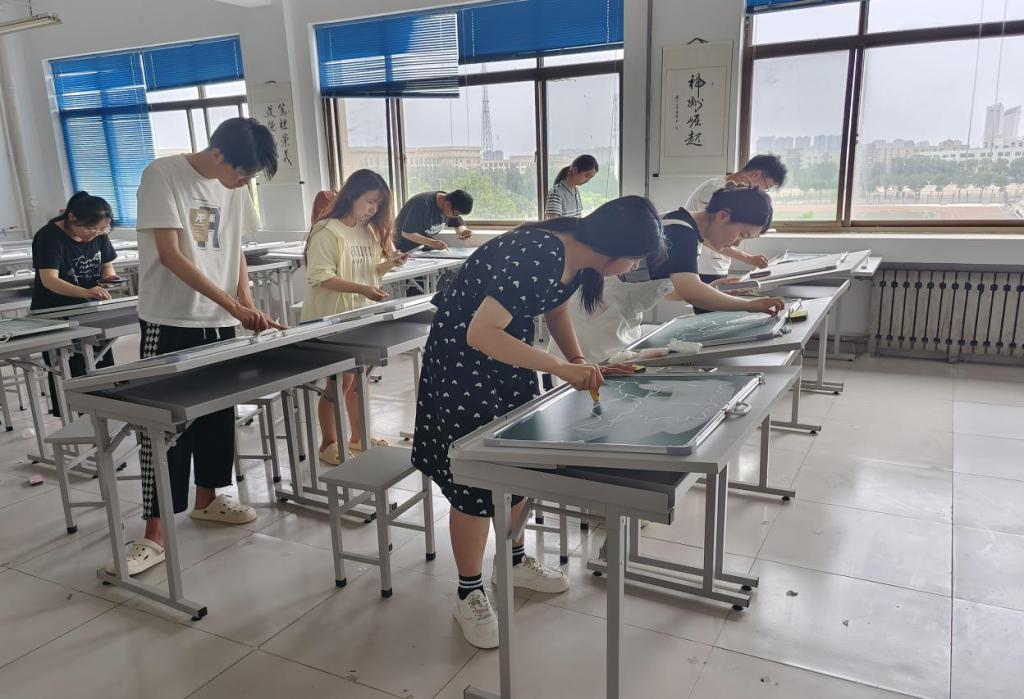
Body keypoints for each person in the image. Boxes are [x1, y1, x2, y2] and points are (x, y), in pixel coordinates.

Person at [411, 196, 666, 649]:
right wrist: (559, 368)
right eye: (634, 257)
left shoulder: (578, 256)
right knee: (474, 478)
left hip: (507, 357)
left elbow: (556, 308)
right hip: (463, 363)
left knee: (519, 458)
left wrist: (578, 361)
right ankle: (468, 592)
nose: (632, 267)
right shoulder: (540, 252)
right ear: (615, 247)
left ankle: (511, 560)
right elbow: (479, 333)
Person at [108, 117, 282, 576]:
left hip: (219, 320)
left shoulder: (234, 188)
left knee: (217, 414)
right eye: (241, 173)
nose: (243, 182)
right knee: (164, 424)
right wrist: (232, 304)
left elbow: (234, 249)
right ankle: (155, 532)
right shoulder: (162, 175)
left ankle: (208, 499)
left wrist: (245, 302)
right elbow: (171, 255)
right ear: (218, 153)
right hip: (171, 319)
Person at [560, 184, 786, 364]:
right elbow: (691, 292)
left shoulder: (686, 230)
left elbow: (663, 289)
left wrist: (712, 289)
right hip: (597, 316)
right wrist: (750, 305)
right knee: (591, 383)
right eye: (742, 234)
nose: (737, 243)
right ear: (723, 216)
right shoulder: (680, 231)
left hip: (615, 315)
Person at [301, 169, 408, 464]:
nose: (373, 209)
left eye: (377, 204)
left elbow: (369, 270)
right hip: (332, 320)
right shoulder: (327, 230)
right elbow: (321, 277)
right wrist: (363, 288)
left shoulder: (366, 230)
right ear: (352, 195)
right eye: (369, 201)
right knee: (339, 384)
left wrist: (391, 264)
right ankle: (328, 443)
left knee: (357, 381)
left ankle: (359, 436)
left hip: (360, 316)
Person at [31, 191, 120, 416]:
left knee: (101, 363)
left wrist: (109, 277)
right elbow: (49, 280)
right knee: (68, 369)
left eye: (102, 229)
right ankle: (74, 418)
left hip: (89, 309)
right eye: (91, 229)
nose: (96, 234)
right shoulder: (49, 237)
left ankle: (106, 414)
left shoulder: (98, 232)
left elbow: (106, 264)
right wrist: (84, 291)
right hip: (55, 312)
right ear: (72, 218)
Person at [689, 154, 787, 287]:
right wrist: (747, 258)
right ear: (757, 175)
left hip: (714, 265)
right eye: (766, 187)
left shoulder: (728, 190)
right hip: (704, 266)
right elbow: (709, 236)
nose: (763, 191)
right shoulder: (715, 189)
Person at [393, 190, 474, 252]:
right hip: (403, 248)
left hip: (423, 248)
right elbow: (406, 233)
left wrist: (463, 231)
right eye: (456, 214)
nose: (455, 217)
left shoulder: (451, 204)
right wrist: (432, 242)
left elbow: (458, 223)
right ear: (448, 204)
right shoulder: (422, 205)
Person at [545, 154, 599, 219]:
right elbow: (553, 223)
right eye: (587, 176)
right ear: (575, 171)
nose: (588, 181)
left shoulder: (576, 190)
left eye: (590, 178)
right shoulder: (556, 193)